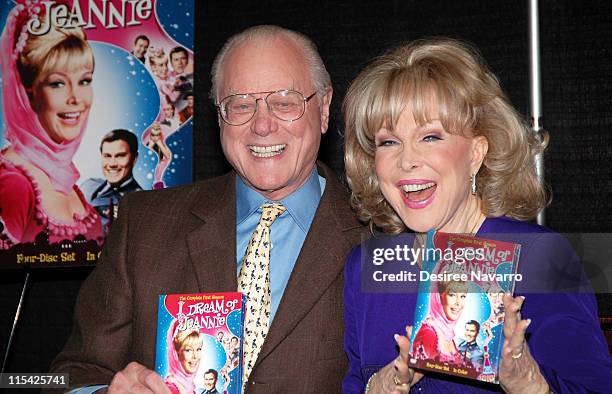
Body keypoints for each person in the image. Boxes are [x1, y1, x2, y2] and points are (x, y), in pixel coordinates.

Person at [50, 25, 362, 393]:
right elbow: (61, 376)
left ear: (324, 109)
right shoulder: (143, 224)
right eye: (241, 105)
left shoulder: (378, 235)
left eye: (284, 102)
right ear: (218, 116)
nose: (262, 124)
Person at [342, 38, 612, 393]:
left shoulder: (540, 258)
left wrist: (528, 383)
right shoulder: (368, 265)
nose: (406, 160)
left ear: (476, 153)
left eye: (430, 136)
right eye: (388, 142)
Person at [0, 5, 103, 248]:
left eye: (84, 81)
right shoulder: (13, 184)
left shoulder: (66, 178)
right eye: (57, 84)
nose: (76, 98)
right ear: (28, 92)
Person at [81, 129, 143, 232]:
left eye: (120, 156)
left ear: (134, 158)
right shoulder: (88, 185)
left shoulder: (139, 203)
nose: (112, 163)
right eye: (107, 156)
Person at [412, 279, 467, 364]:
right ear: (438, 296)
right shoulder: (429, 333)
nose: (458, 303)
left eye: (463, 296)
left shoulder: (448, 334)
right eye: (452, 295)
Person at [165, 329, 202, 394]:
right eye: (188, 350)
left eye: (198, 349)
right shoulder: (171, 388)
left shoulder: (190, 387)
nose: (195, 356)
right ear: (176, 354)